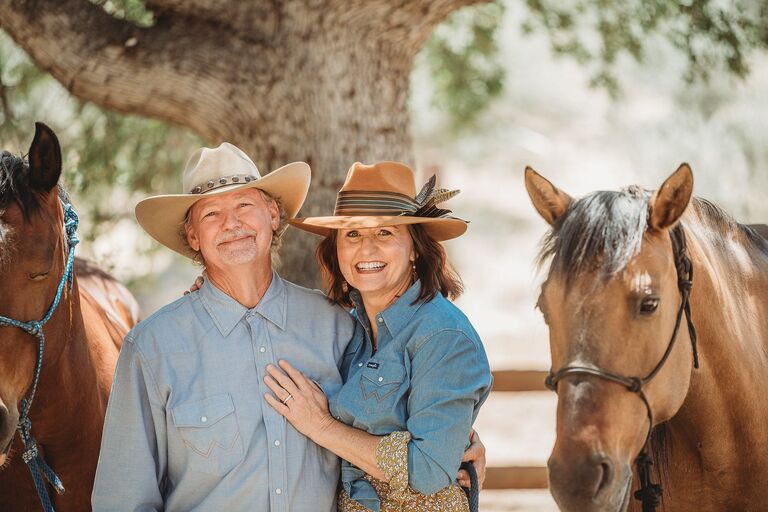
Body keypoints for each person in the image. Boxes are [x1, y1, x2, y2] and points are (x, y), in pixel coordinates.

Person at [92, 144, 485, 511]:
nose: (232, 224)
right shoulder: (153, 348)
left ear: (274, 215)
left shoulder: (336, 326)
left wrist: (460, 453)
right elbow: (123, 499)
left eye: (244, 205)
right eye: (211, 213)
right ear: (193, 236)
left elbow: (418, 433)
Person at [263, 161, 493, 511]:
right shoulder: (348, 327)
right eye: (352, 234)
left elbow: (430, 469)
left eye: (384, 232)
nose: (366, 249)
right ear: (336, 248)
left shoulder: (443, 334)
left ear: (415, 247)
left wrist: (322, 426)